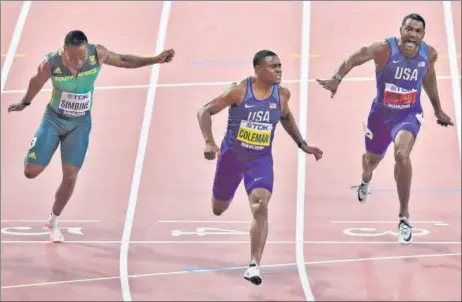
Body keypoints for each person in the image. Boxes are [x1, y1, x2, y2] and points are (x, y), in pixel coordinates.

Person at [7, 30, 175, 243]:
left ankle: (53, 220)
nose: (77, 62)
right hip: (53, 120)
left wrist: (155, 59)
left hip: (80, 123)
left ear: (87, 51)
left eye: (81, 57)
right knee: (30, 172)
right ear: (63, 51)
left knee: (70, 176)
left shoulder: (98, 54)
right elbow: (36, 82)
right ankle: (40, 151)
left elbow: (123, 60)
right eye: (71, 57)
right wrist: (25, 102)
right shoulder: (51, 63)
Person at [316, 13, 454, 245]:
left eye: (418, 31)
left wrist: (438, 109)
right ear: (400, 30)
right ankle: (366, 181)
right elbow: (355, 57)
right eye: (408, 29)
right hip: (380, 116)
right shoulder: (383, 49)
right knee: (371, 161)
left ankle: (404, 216)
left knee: (402, 155)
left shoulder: (428, 54)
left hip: (408, 114)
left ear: (423, 35)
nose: (412, 35)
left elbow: (428, 78)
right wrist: (337, 78)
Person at [197, 49, 323, 285]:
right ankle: (224, 196)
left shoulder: (282, 94)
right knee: (218, 208)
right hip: (231, 158)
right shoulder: (239, 90)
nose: (279, 70)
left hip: (260, 160)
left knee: (260, 205)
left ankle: (254, 264)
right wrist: (208, 141)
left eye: (280, 66)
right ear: (257, 69)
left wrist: (302, 144)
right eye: (273, 67)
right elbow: (204, 110)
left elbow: (285, 117)